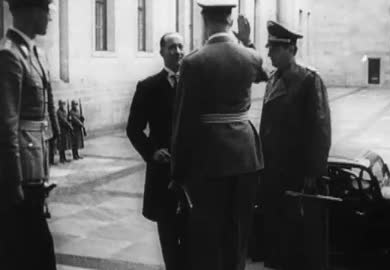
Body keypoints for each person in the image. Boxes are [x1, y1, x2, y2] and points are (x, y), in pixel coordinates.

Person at [169, 1, 267, 269]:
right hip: (247, 157)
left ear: (205, 21)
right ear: (231, 21)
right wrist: (247, 41)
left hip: (210, 159)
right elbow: (262, 74)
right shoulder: (250, 56)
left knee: (208, 236)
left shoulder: (193, 61)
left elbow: (183, 122)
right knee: (238, 233)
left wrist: (177, 173)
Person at [258, 20, 332, 270]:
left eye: (275, 48)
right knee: (275, 227)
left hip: (296, 171)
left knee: (296, 233)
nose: (269, 53)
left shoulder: (309, 80)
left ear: (291, 49)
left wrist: (313, 171)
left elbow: (320, 129)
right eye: (269, 47)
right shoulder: (273, 78)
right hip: (272, 169)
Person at [0, 0, 59, 269]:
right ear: (31, 11)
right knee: (29, 250)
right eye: (46, 10)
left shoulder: (32, 51)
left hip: (35, 168)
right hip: (22, 174)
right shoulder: (9, 55)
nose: (49, 17)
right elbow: (7, 125)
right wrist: (14, 182)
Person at [127, 32, 185, 270]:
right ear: (161, 52)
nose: (178, 51)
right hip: (163, 174)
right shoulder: (148, 87)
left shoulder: (194, 86)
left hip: (191, 173)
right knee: (169, 239)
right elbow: (133, 128)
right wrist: (152, 152)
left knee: (192, 236)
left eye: (181, 46)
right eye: (172, 47)